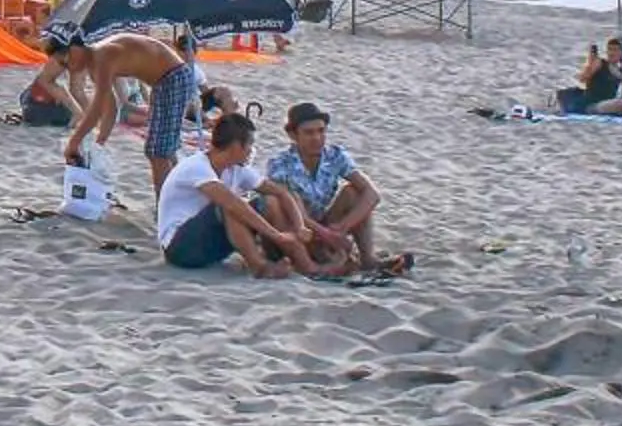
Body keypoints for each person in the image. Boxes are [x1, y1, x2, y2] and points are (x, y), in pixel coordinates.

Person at [156, 113, 322, 275]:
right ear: (236, 145)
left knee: (269, 201)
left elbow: (281, 192)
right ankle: (259, 266)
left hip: (210, 243)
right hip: (179, 248)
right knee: (230, 206)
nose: (251, 151)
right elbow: (231, 203)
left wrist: (299, 226)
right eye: (249, 144)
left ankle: (304, 264)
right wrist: (276, 235)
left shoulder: (236, 169)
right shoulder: (196, 167)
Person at [261, 103, 404, 274]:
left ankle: (367, 259)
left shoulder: (335, 155)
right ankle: (313, 263)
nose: (317, 138)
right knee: (275, 202)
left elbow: (372, 194)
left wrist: (342, 227)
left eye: (321, 131)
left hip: (323, 223)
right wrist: (329, 235)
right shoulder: (280, 164)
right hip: (295, 228)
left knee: (354, 192)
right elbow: (295, 211)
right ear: (293, 135)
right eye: (309, 133)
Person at [59, 27, 203, 193]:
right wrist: (100, 143)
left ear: (75, 49)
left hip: (173, 77)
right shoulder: (95, 64)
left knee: (157, 152)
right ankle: (178, 197)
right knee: (164, 148)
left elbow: (97, 107)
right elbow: (110, 109)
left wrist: (74, 142)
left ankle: (165, 207)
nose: (68, 69)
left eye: (65, 62)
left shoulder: (102, 55)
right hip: (165, 81)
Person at [565, 38, 622, 117]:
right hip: (591, 105)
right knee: (620, 103)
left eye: (615, 50)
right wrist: (590, 64)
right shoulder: (600, 63)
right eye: (609, 49)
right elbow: (582, 79)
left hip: (607, 104)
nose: (611, 53)